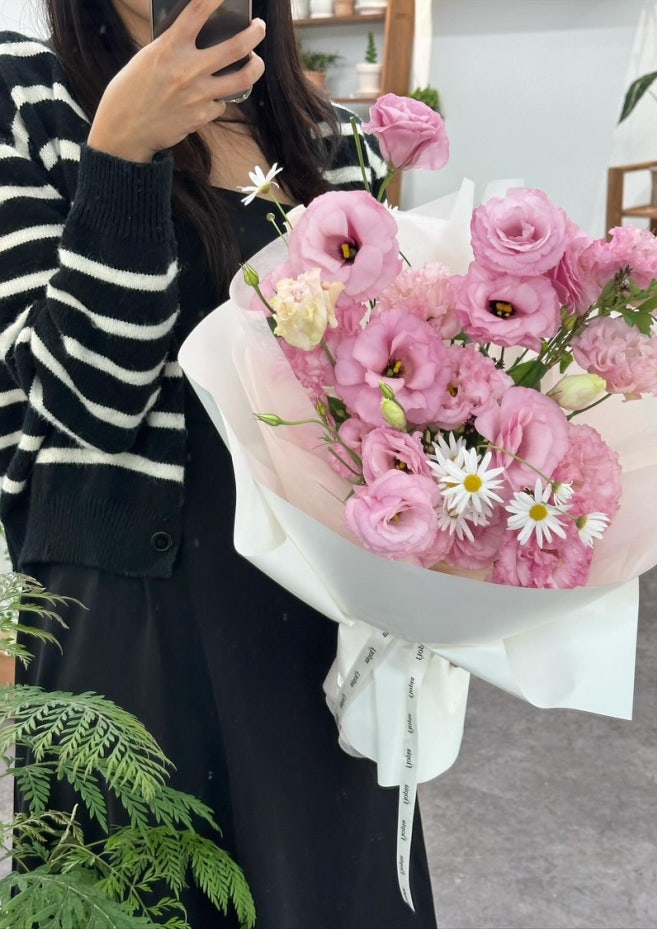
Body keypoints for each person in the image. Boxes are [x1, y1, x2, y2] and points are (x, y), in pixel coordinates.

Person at [0, 2, 438, 926]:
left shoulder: (330, 140)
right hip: (131, 617)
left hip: (324, 609)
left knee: (332, 891)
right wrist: (122, 154)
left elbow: (373, 391)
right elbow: (80, 412)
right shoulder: (27, 99)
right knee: (154, 894)